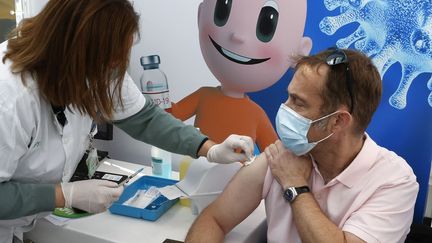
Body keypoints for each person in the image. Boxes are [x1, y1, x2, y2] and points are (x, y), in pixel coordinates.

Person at [0, 0, 254, 242]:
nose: (112, 74)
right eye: (108, 63)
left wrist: (209, 148)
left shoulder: (95, 66)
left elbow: (144, 119)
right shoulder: (10, 99)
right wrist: (63, 195)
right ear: (77, 52)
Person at [185, 48, 419, 243]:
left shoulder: (394, 182)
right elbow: (215, 219)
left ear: (337, 121)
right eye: (289, 97)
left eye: (298, 102)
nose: (284, 108)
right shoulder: (283, 155)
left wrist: (295, 186)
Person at [171, 0, 312, 151]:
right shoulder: (203, 96)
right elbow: (169, 117)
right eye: (222, 11)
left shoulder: (255, 114)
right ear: (200, 16)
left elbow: (274, 154)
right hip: (199, 167)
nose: (238, 36)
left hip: (237, 173)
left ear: (300, 50)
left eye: (265, 27)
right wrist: (155, 98)